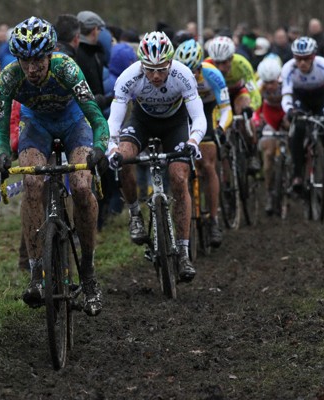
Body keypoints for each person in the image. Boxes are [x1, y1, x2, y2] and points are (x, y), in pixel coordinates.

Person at [0, 17, 109, 316]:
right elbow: (2, 135)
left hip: (73, 124)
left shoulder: (67, 68)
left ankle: (89, 271)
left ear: (51, 53)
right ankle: (36, 273)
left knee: (82, 186)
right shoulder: (6, 80)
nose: (32, 68)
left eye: (39, 60)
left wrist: (99, 148)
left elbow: (95, 118)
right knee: (31, 183)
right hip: (37, 126)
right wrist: (1, 154)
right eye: (25, 60)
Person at [107, 31, 206, 282]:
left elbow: (198, 117)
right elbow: (115, 119)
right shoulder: (129, 77)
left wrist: (194, 140)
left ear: (170, 63)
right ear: (142, 64)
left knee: (178, 177)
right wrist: (111, 146)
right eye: (150, 69)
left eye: (161, 69)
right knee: (124, 157)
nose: (156, 76)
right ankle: (134, 215)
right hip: (142, 122)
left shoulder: (182, 75)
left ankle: (183, 252)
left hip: (175, 125)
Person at [174, 38, 232, 247]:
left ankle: (214, 219)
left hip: (207, 113)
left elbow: (226, 108)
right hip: (185, 115)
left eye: (194, 71)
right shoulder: (175, 76)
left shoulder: (213, 74)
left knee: (207, 164)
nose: (191, 76)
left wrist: (220, 129)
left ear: (200, 66)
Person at [281, 36, 324, 200]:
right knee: (298, 130)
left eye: (306, 59)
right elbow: (286, 95)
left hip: (321, 99)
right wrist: (289, 110)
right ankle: (297, 175)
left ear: (313, 56)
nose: (302, 63)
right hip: (300, 100)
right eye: (298, 58)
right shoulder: (288, 68)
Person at [205, 35, 262, 173]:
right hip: (218, 96)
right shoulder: (206, 65)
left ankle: (252, 152)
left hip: (237, 93)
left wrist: (251, 108)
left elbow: (254, 91)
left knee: (244, 114)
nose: (220, 68)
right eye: (216, 63)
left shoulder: (242, 64)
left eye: (224, 63)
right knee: (221, 127)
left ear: (231, 58)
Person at [254, 56, 287, 215]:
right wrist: (256, 119)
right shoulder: (259, 86)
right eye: (266, 83)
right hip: (270, 115)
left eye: (272, 83)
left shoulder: (286, 82)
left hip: (285, 113)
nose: (269, 86)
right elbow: (255, 104)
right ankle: (269, 192)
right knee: (268, 154)